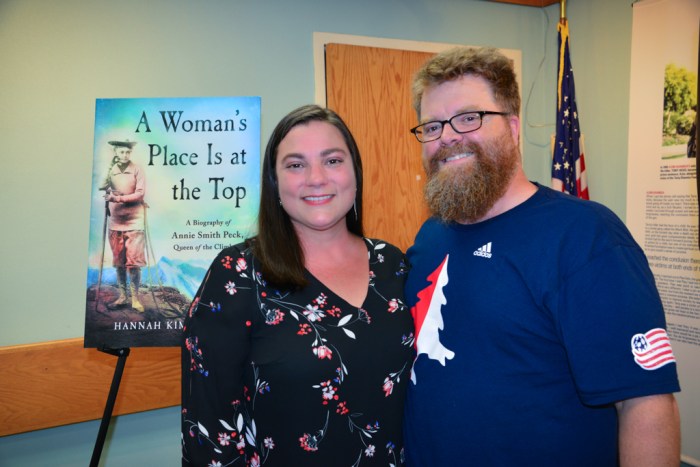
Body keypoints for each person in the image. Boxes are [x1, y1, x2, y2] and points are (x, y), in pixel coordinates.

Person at [403, 47, 681, 466]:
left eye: (469, 118)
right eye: (432, 126)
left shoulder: (585, 238)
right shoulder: (431, 236)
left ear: (513, 127)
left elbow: (645, 404)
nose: (447, 137)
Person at [181, 105, 414, 466]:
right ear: (274, 182)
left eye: (332, 161)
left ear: (355, 173)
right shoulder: (238, 274)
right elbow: (209, 430)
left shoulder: (391, 264)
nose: (316, 178)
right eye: (295, 165)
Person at [99, 139, 147, 312]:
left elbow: (140, 194)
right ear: (116, 153)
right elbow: (102, 186)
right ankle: (122, 296)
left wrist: (117, 198)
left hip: (134, 221)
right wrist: (109, 169)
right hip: (115, 222)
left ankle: (135, 298)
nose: (125, 155)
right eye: (121, 152)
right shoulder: (112, 169)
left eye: (127, 152)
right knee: (119, 262)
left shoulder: (137, 169)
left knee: (133, 263)